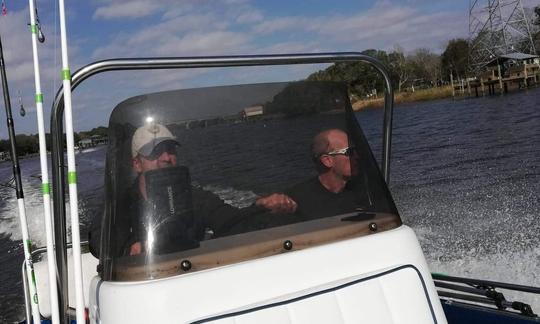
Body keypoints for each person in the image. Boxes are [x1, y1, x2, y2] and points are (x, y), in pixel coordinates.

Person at [89, 123, 297, 257]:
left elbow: (230, 221)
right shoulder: (120, 204)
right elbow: (100, 242)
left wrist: (259, 206)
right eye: (155, 152)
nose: (166, 157)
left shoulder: (195, 197)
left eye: (170, 150)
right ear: (137, 164)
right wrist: (130, 249)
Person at [285, 128, 368, 220]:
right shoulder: (297, 201)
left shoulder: (369, 189)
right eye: (349, 152)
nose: (357, 156)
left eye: (356, 150)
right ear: (327, 161)